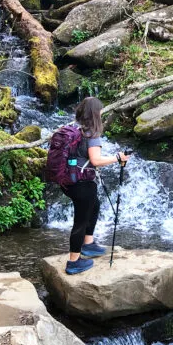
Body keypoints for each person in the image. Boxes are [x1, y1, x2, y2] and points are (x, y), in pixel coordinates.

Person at [63, 97, 130, 275]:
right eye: (100, 110)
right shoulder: (91, 133)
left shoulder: (72, 127)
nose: (101, 113)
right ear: (94, 113)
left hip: (68, 180)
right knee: (80, 221)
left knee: (95, 205)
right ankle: (73, 262)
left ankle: (89, 243)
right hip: (82, 183)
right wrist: (118, 158)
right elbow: (96, 160)